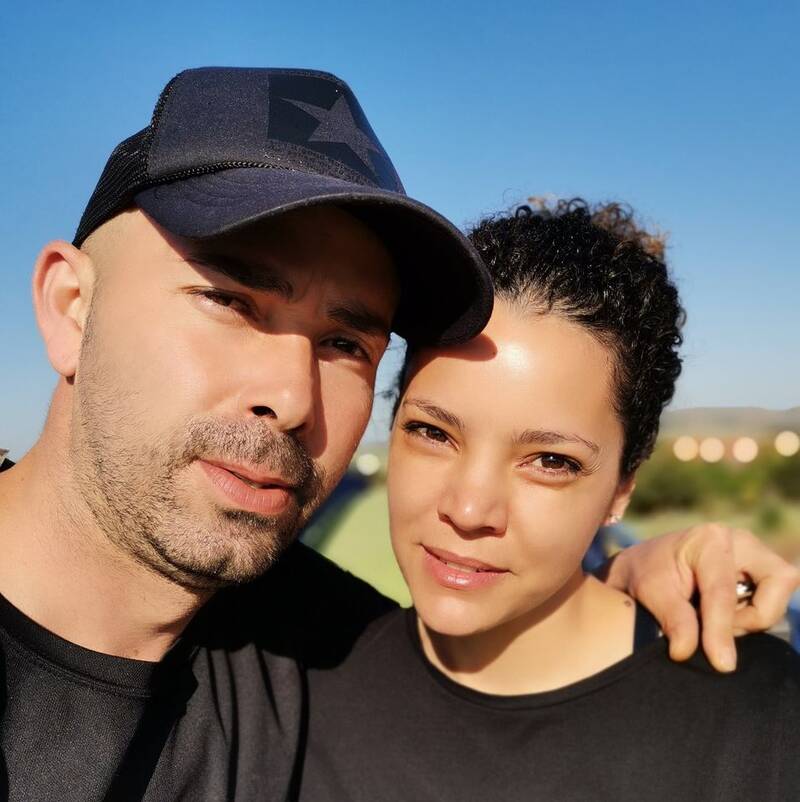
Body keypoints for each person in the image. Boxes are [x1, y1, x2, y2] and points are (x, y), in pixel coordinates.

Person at [0, 68, 795, 801]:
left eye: (346, 343)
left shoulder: (321, 648)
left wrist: (631, 576)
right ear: (71, 307)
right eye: (231, 302)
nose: (291, 396)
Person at [298, 201, 800, 801]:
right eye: (433, 432)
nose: (469, 511)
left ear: (622, 487)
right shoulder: (296, 671)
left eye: (551, 462)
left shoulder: (764, 729)